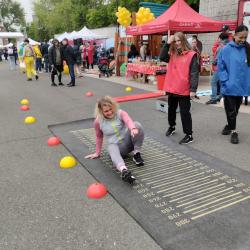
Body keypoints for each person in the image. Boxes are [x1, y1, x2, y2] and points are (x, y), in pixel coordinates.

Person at [85, 96, 145, 184]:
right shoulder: (98, 122)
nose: (110, 112)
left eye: (111, 109)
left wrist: (132, 128)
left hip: (128, 142)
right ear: (101, 112)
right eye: (106, 111)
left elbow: (128, 121)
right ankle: (124, 171)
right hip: (117, 149)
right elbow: (99, 137)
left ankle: (137, 154)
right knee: (111, 147)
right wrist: (97, 152)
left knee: (137, 125)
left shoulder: (120, 113)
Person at [161, 32, 199, 144]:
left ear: (183, 41)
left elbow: (194, 73)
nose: (177, 43)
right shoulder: (173, 53)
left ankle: (189, 134)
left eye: (179, 41)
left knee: (184, 113)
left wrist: (193, 89)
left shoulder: (192, 54)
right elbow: (162, 57)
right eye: (175, 41)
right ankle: (172, 126)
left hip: (184, 88)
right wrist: (167, 43)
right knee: (171, 110)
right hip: (172, 87)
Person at [217, 25, 250, 144]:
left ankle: (228, 125)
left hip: (242, 86)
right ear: (235, 35)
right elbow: (221, 67)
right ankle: (234, 131)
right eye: (241, 37)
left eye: (245, 37)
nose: (243, 39)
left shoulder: (248, 48)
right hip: (229, 86)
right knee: (231, 109)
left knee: (235, 109)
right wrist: (225, 81)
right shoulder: (226, 49)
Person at [206, 33, 229, 104]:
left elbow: (218, 59)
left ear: (220, 38)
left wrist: (213, 62)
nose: (217, 40)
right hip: (226, 68)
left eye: (218, 38)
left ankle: (213, 98)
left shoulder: (221, 47)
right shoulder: (229, 45)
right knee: (221, 83)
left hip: (219, 68)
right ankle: (221, 97)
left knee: (213, 82)